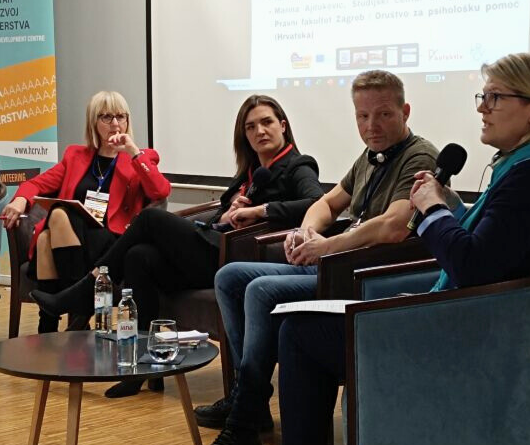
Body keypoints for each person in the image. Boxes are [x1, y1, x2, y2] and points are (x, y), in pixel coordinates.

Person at [219, 52, 530, 445]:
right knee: (299, 322)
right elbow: (490, 254)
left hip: (472, 346)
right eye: (484, 97)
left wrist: (433, 208)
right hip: (484, 331)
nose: (483, 108)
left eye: (495, 97)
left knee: (301, 331)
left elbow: (470, 263)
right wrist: (448, 209)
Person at [195, 69, 438, 445]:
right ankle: (247, 396)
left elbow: (393, 225)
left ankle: (244, 421)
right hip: (338, 264)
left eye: (381, 115)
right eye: (362, 116)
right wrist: (305, 230)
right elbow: (327, 203)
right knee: (230, 277)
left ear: (404, 111)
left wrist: (325, 247)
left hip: (361, 273)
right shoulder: (369, 157)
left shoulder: (419, 155)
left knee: (260, 291)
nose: (370, 126)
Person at [32, 94, 325, 398]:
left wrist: (259, 211)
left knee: (149, 219)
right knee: (138, 256)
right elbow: (220, 215)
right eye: (251, 127)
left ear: (283, 126)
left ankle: (84, 292)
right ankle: (140, 368)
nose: (260, 131)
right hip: (212, 242)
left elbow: (315, 202)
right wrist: (226, 213)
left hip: (234, 260)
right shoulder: (251, 171)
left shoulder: (297, 165)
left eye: (266, 123)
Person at [0, 91, 171, 335]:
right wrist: (19, 201)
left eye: (121, 117)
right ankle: (65, 317)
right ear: (93, 122)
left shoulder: (140, 157)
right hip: (73, 240)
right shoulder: (76, 156)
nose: (115, 124)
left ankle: (57, 324)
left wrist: (132, 152)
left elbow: (161, 191)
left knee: (56, 218)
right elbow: (36, 184)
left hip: (110, 242)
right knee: (48, 234)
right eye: (107, 117)